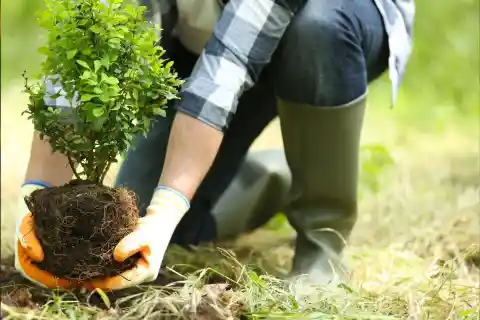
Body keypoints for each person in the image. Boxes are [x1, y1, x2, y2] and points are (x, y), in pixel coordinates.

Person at [14, 0, 415, 290]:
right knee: (146, 225)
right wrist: (37, 195)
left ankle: (322, 244)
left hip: (330, 26)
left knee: (318, 27)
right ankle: (278, 176)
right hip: (201, 34)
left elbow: (230, 63)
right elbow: (99, 30)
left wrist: (169, 204)